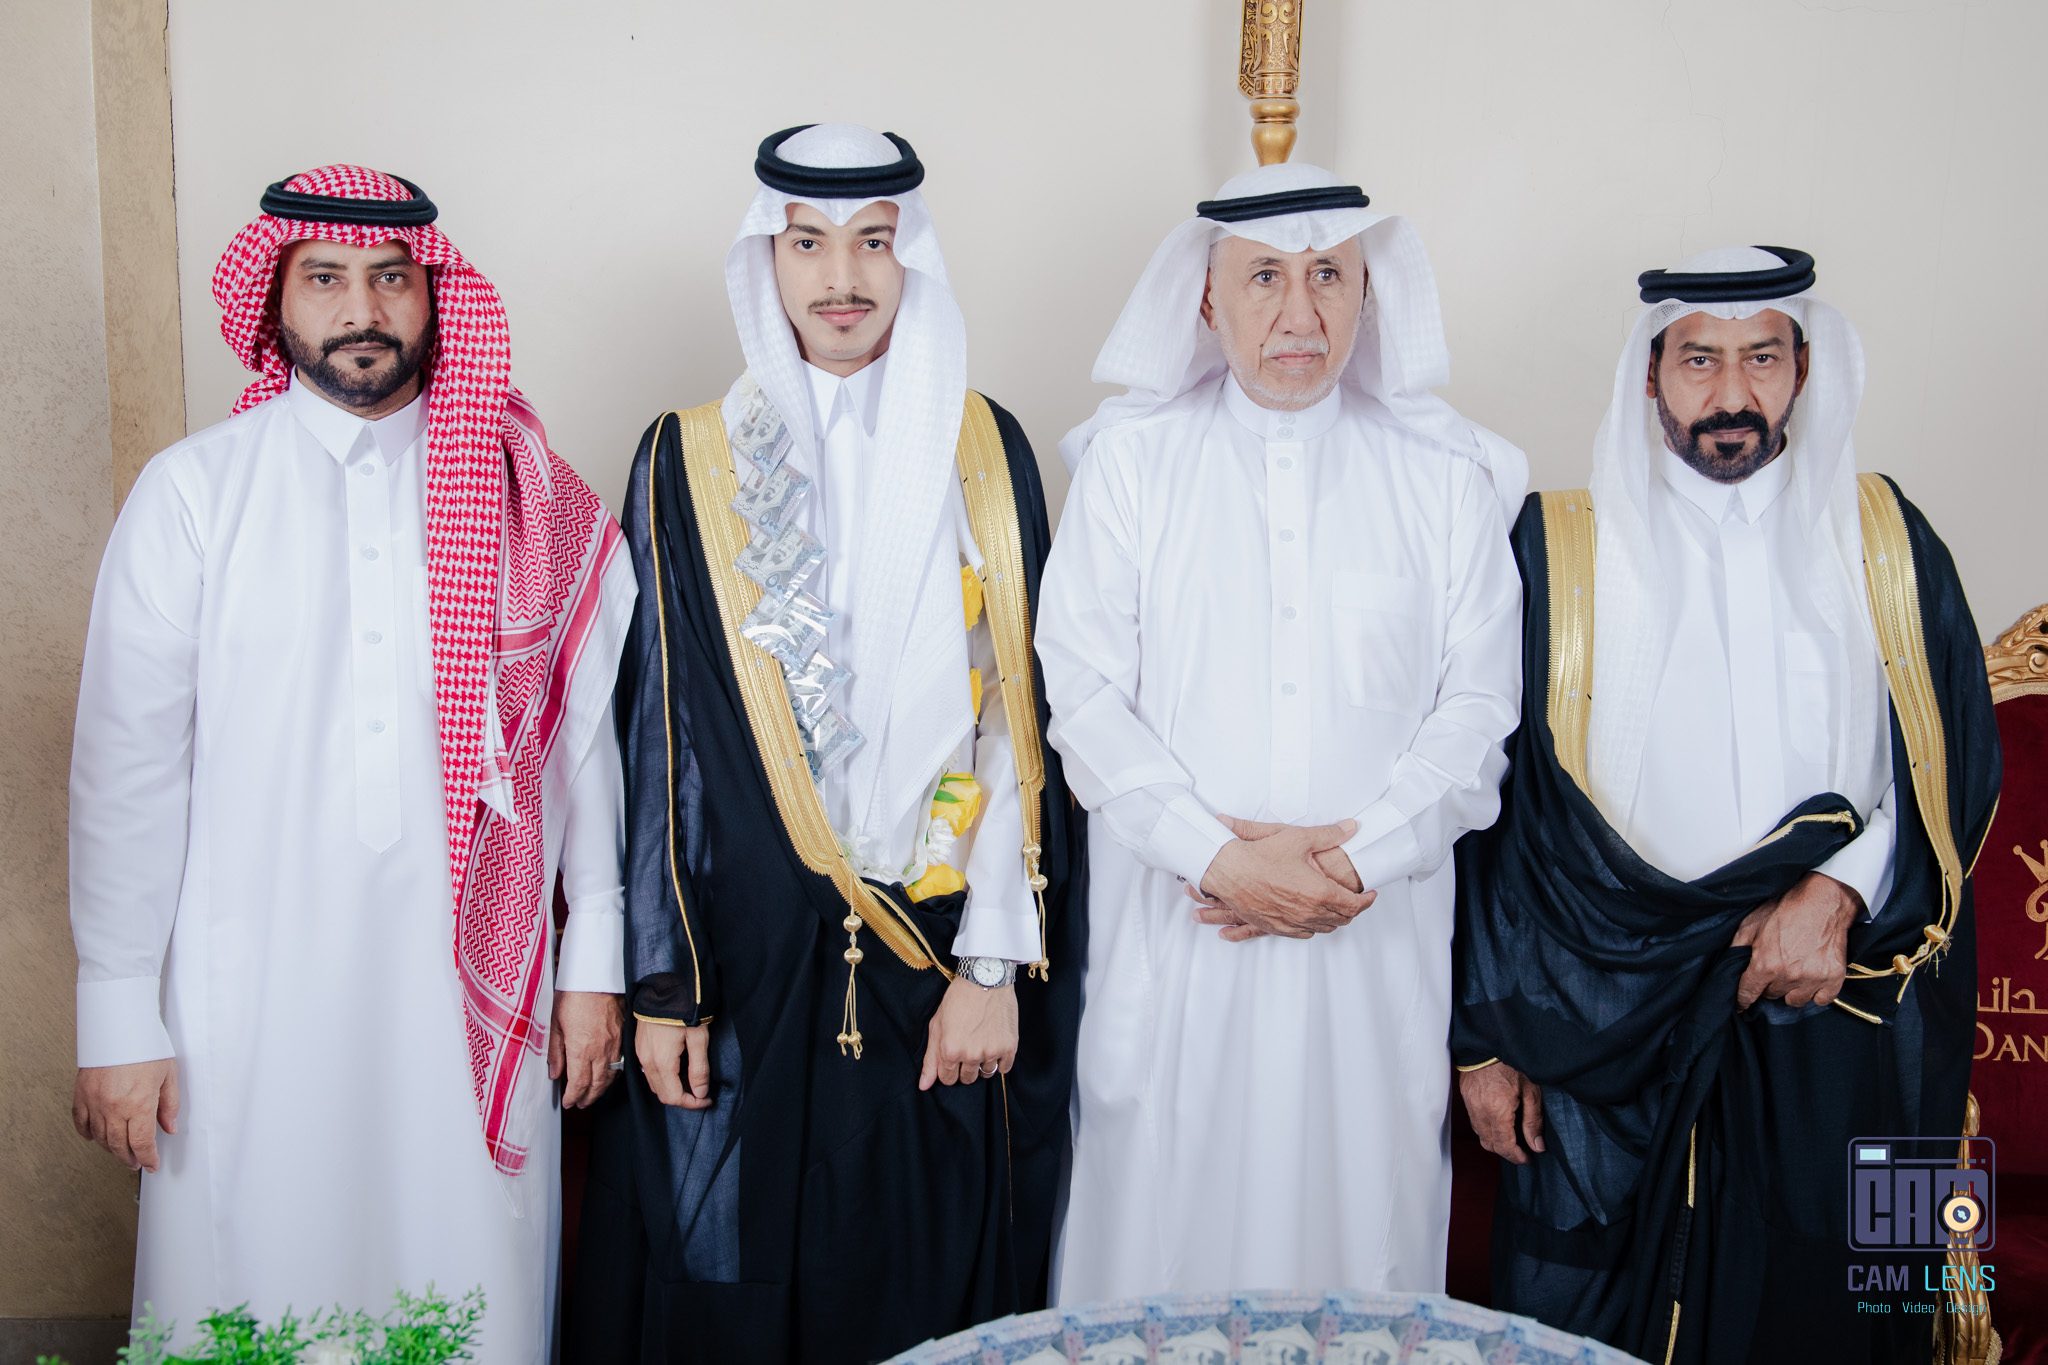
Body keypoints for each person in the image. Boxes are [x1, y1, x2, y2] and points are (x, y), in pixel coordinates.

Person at [67, 167, 636, 1362]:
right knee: (255, 1276)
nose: (361, 310)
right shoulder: (195, 493)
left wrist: (593, 964)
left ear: (436, 299)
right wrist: (116, 1008)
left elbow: (578, 752)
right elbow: (124, 772)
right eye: (324, 278)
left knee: (463, 1276)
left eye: (391, 279)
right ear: (273, 301)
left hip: (471, 985)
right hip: (244, 994)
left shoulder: (531, 501)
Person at [571, 124, 1082, 1365]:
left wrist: (990, 965)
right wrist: (668, 988)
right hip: (740, 967)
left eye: (872, 242)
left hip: (935, 953)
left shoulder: (984, 447)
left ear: (913, 259)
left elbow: (1016, 723)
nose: (840, 277)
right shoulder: (688, 458)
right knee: (727, 1283)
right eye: (805, 244)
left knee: (921, 1284)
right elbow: (663, 738)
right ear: (767, 259)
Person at [1452, 247, 1997, 1363]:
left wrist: (1838, 891)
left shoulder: (1887, 536)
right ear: (1650, 373)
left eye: (1762, 357)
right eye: (1699, 360)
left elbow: (1946, 757)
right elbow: (1495, 820)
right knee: (1582, 1318)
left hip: (1840, 984)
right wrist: (1479, 1045)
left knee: (1864, 1301)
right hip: (1607, 1009)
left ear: (1805, 368)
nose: (1732, 392)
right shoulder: (1555, 545)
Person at [1037, 161, 1526, 1301]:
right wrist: (1220, 860)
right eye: (1263, 276)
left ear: (1368, 295)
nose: (1299, 312)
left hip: (1370, 942)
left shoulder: (1444, 478)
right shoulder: (1130, 466)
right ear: (1206, 298)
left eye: (1328, 277)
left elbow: (1478, 710)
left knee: (1357, 1246)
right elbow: (1084, 697)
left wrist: (1353, 862)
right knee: (1160, 1249)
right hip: (1179, 939)